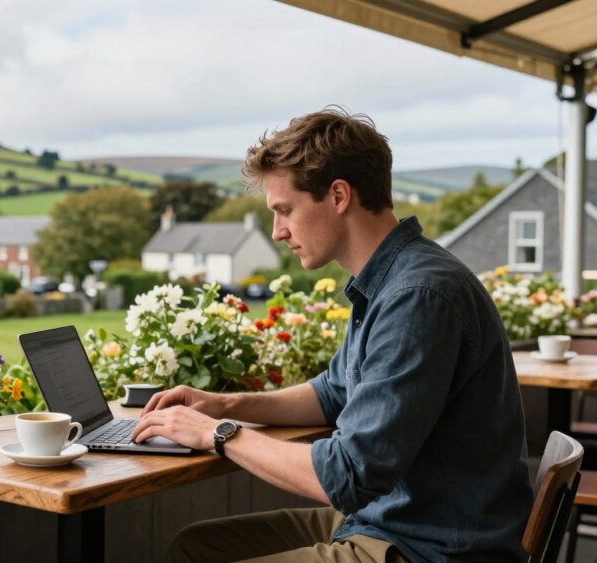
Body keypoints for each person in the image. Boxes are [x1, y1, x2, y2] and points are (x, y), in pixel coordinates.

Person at [131, 106, 533, 562]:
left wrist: (218, 433)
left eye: (285, 211)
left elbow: (347, 476)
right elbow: (331, 392)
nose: (278, 232)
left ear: (339, 195)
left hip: (430, 546)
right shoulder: (389, 281)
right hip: (389, 519)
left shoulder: (418, 295)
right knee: (194, 547)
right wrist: (226, 404)